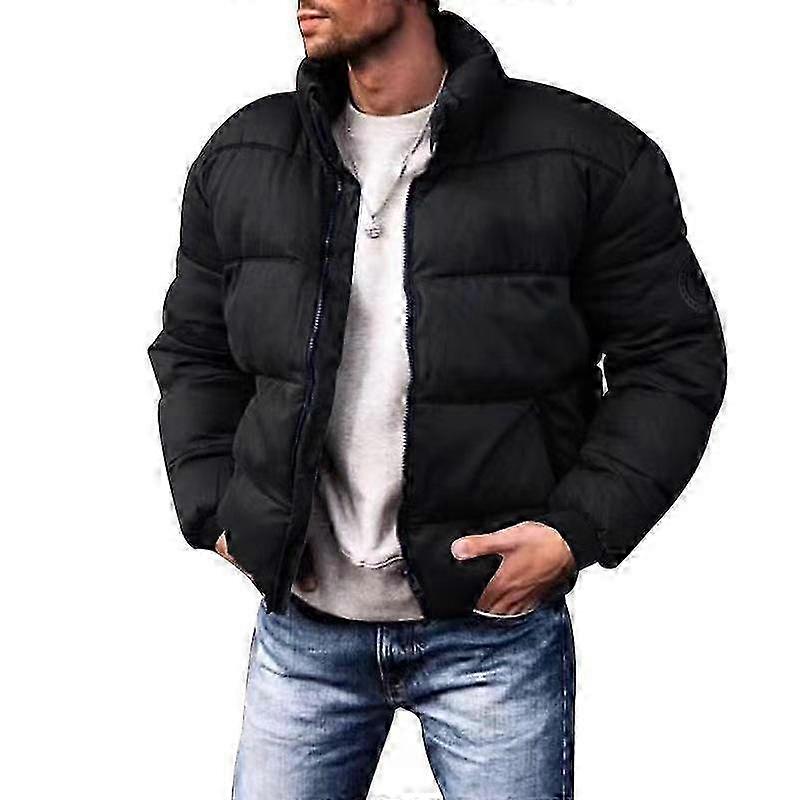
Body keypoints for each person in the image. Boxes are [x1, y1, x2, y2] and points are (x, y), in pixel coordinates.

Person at [147, 2, 726, 797]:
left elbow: (672, 358)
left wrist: (576, 529)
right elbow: (195, 351)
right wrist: (217, 508)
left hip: (493, 638)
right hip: (302, 635)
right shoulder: (245, 155)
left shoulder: (587, 157)